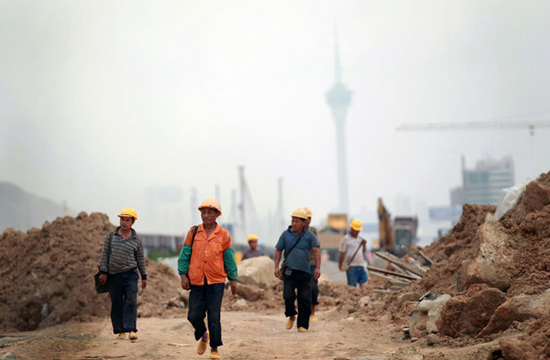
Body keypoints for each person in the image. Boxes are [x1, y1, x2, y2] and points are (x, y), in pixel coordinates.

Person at [178, 198, 238, 360]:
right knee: (193, 315)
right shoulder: (193, 232)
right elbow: (185, 254)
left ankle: (214, 348)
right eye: (203, 212)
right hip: (196, 280)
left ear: (217, 214)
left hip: (216, 281)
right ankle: (203, 334)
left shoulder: (224, 234)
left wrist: (233, 279)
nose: (205, 215)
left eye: (209, 212)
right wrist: (183, 274)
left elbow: (229, 258)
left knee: (214, 315)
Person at [98, 206, 147, 340]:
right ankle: (120, 331)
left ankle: (131, 329)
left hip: (130, 274)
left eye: (127, 220)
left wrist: (144, 276)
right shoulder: (111, 236)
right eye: (122, 220)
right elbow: (105, 254)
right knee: (116, 302)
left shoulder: (136, 239)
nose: (124, 223)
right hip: (114, 275)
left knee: (131, 300)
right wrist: (103, 271)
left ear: (132, 222)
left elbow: (140, 259)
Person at [274, 208, 321, 333]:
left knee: (304, 299)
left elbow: (316, 251)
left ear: (303, 223)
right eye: (292, 221)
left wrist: (317, 267)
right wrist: (276, 267)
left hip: (305, 272)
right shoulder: (285, 235)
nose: (294, 223)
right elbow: (278, 250)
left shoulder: (309, 236)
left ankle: (303, 325)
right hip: (289, 271)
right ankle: (291, 315)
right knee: (288, 296)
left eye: (297, 221)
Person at [338, 219, 369, 287]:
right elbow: (342, 253)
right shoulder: (346, 239)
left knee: (365, 284)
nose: (357, 232)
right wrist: (340, 265)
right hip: (351, 267)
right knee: (352, 287)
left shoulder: (360, 239)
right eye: (356, 230)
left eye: (358, 230)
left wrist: (364, 245)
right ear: (352, 228)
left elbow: (362, 252)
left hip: (361, 265)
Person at [303, 207, 319, 322]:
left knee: (313, 288)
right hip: (301, 264)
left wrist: (318, 267)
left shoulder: (313, 231)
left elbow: (316, 248)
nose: (309, 220)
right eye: (306, 218)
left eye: (310, 218)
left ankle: (312, 312)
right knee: (302, 290)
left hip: (312, 263)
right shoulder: (297, 231)